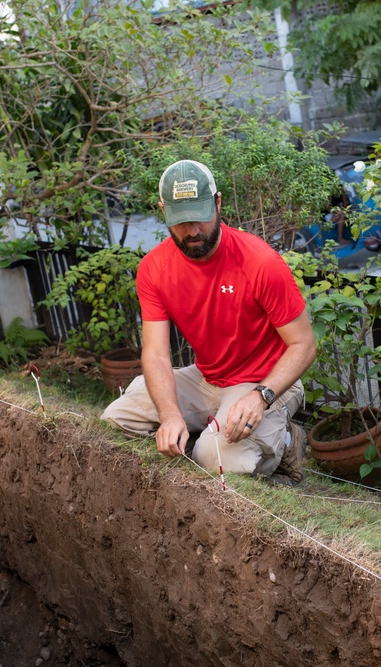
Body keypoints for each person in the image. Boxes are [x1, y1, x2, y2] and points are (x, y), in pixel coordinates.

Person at [101, 159, 316, 485]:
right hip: (208, 378)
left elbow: (304, 344)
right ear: (163, 212)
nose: (192, 231)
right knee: (116, 419)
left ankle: (285, 441)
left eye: (200, 217)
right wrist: (170, 416)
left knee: (213, 460)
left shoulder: (260, 262)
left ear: (217, 203)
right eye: (180, 221)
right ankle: (211, 427)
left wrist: (261, 397)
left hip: (265, 381)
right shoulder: (154, 269)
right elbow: (156, 354)